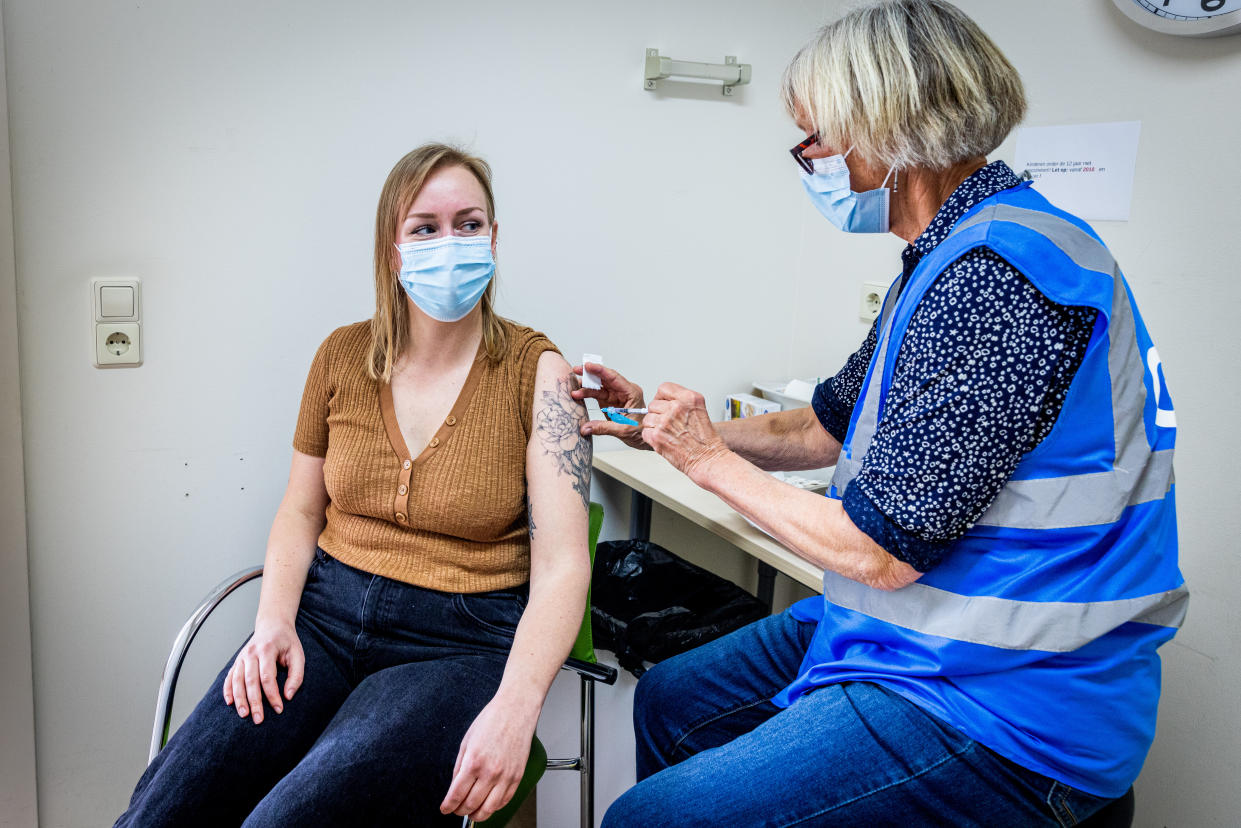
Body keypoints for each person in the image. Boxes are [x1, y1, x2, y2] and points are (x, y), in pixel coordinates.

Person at [579, 2, 1185, 825]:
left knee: (647, 819)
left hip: (1008, 699)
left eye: (815, 139)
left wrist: (704, 461)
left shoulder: (998, 278)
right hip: (923, 635)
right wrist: (661, 428)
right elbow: (819, 426)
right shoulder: (946, 253)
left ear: (886, 128)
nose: (807, 163)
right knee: (676, 699)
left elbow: (879, 551)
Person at [116, 143, 593, 826]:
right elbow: (300, 509)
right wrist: (273, 622)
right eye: (424, 227)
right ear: (392, 249)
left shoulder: (538, 374)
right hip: (322, 620)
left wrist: (516, 708)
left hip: (455, 645)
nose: (449, 242)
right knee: (163, 810)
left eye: (468, 223)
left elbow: (561, 566)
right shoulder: (341, 356)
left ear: (494, 237)